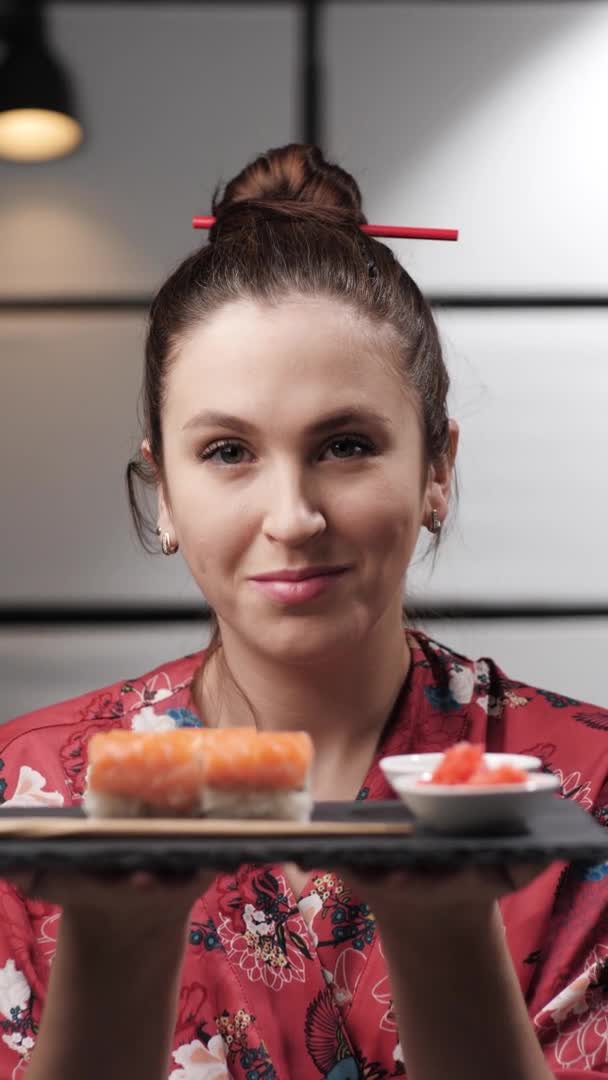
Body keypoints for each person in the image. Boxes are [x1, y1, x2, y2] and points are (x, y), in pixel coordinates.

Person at [0, 143, 607, 1080]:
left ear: (437, 467)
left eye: (347, 444)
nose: (293, 518)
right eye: (228, 452)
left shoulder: (590, 790)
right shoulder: (32, 791)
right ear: (163, 487)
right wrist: (117, 937)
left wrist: (444, 922)